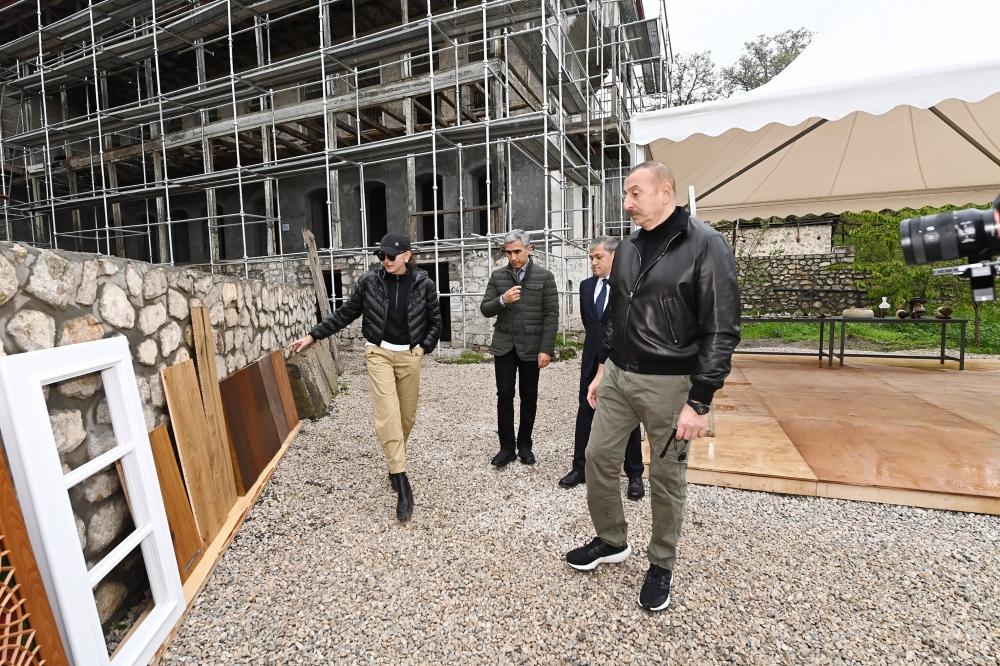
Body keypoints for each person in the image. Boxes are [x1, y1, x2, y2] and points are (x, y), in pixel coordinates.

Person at [564, 161, 740, 612]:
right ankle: (611, 539)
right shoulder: (628, 248)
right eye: (625, 194)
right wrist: (603, 367)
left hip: (670, 383)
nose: (626, 203)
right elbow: (615, 315)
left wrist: (700, 400)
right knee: (597, 457)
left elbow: (721, 327)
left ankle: (661, 563)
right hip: (619, 375)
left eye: (635, 193)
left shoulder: (705, 244)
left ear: (665, 192)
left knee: (665, 478)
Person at [289, 232, 441, 523]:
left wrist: (423, 348)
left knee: (406, 417)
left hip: (410, 355)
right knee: (387, 413)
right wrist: (313, 335)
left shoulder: (424, 284)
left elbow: (436, 322)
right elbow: (345, 313)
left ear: (407, 256)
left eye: (391, 256)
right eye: (381, 255)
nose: (385, 260)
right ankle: (401, 478)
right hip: (378, 353)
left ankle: (394, 460)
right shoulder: (370, 282)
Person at [558, 236, 644, 501]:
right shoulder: (586, 286)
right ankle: (580, 468)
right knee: (585, 412)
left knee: (626, 416)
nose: (593, 262)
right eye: (591, 257)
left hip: (621, 361)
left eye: (598, 257)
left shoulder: (630, 285)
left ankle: (635, 474)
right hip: (590, 360)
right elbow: (592, 325)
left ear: (614, 256)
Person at [480, 229, 558, 468]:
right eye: (508, 252)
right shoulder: (498, 276)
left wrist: (546, 349)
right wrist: (502, 300)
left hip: (532, 347)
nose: (513, 257)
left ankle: (525, 446)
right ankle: (506, 448)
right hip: (504, 345)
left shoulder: (545, 277)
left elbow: (551, 315)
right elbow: (485, 309)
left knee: (529, 397)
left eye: (517, 251)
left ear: (529, 249)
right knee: (504, 396)